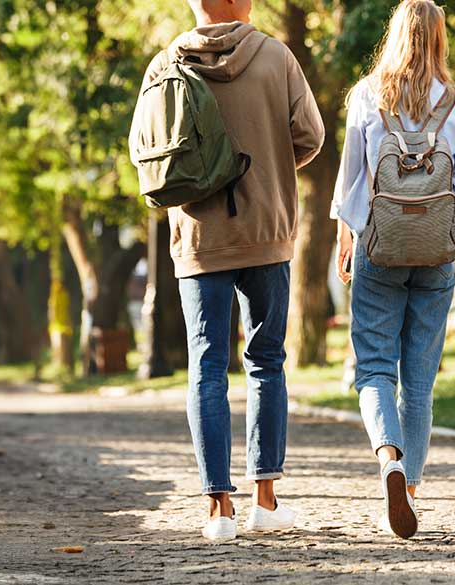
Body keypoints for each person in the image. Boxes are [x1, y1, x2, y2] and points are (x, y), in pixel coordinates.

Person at [141, 0, 324, 541]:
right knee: (266, 361)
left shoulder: (164, 65)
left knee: (206, 365)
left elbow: (148, 154)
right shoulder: (276, 57)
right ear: (244, 4)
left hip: (199, 234)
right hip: (266, 231)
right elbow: (310, 136)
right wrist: (267, 165)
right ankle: (265, 500)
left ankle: (217, 508)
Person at [331, 0, 455, 539]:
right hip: (436, 254)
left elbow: (351, 182)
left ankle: (389, 461)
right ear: (440, 41)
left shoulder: (367, 98)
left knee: (373, 367)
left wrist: (345, 240)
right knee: (419, 382)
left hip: (379, 246)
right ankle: (410, 491)